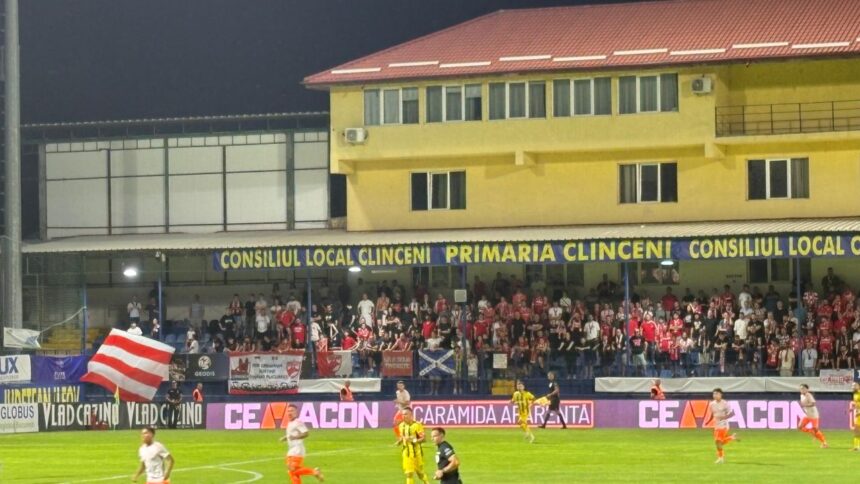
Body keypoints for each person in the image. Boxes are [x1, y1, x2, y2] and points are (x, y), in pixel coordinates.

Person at [279, 404, 324, 483]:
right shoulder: (290, 422)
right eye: (288, 411)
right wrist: (285, 438)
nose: (289, 413)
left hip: (297, 449)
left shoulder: (298, 422)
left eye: (292, 411)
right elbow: (291, 434)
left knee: (292, 470)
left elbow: (306, 433)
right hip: (292, 449)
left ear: (296, 412)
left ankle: (314, 471)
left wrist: (295, 437)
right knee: (293, 472)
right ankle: (314, 472)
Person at [397, 407, 428, 484]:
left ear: (411, 415)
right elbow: (403, 436)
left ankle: (426, 481)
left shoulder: (417, 425)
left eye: (406, 414)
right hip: (406, 453)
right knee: (409, 474)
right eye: (403, 414)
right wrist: (400, 441)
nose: (404, 416)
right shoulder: (401, 426)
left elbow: (424, 439)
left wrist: (413, 440)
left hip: (416, 454)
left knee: (420, 474)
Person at [709, 388, 739, 464]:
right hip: (716, 425)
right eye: (713, 394)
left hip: (723, 425)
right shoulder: (712, 404)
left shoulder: (725, 403)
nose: (714, 395)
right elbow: (713, 414)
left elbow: (732, 413)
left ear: (720, 394)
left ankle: (720, 458)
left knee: (718, 441)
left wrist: (724, 417)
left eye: (716, 394)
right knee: (718, 442)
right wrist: (709, 421)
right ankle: (731, 438)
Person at [798, 384, 828, 448]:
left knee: (816, 430)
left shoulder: (808, 395)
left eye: (803, 388)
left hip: (813, 414)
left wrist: (805, 405)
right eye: (800, 389)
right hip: (808, 415)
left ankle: (824, 443)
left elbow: (813, 403)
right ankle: (811, 431)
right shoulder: (801, 395)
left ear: (807, 389)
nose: (801, 390)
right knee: (800, 427)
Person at [850, 381, 860, 451]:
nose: (853, 387)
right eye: (852, 386)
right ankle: (856, 446)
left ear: (858, 386)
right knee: (857, 431)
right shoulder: (855, 394)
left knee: (857, 430)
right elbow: (857, 404)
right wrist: (853, 407)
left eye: (854, 386)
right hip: (858, 414)